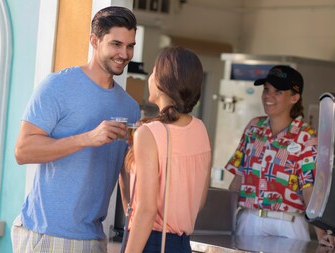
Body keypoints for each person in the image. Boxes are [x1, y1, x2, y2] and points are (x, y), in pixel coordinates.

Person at [11, 6, 140, 253]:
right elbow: (22, 151)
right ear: (94, 40)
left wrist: (133, 220)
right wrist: (87, 138)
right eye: (116, 44)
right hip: (47, 234)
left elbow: (125, 171)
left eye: (130, 46)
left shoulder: (130, 107)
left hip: (93, 237)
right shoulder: (58, 86)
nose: (124, 53)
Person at [225, 65, 335, 248]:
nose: (267, 96)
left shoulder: (307, 136)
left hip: (288, 225)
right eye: (266, 89)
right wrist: (220, 219)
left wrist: (323, 234)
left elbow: (310, 189)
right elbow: (239, 177)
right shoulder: (254, 127)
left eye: (278, 91)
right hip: (248, 220)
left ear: (294, 98)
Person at [119, 46, 212, 253]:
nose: (150, 77)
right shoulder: (200, 129)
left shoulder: (149, 133)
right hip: (182, 244)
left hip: (151, 243)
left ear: (162, 82)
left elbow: (146, 211)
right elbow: (200, 201)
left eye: (153, 71)